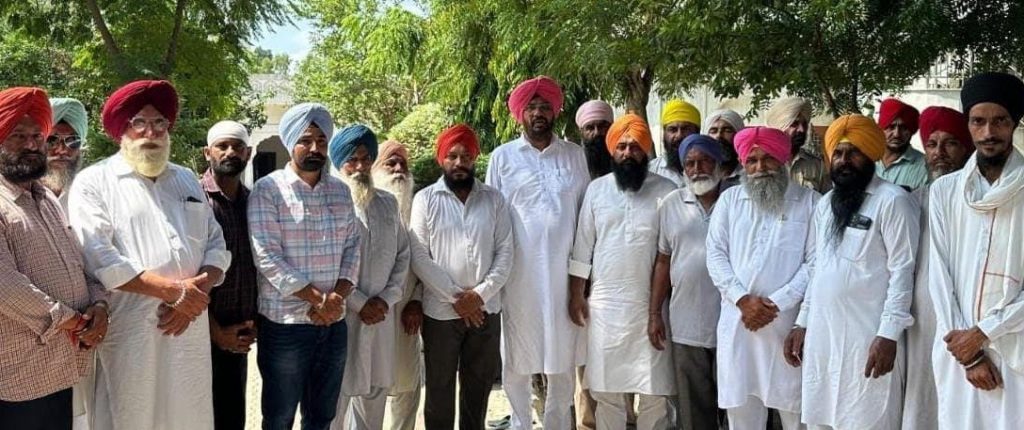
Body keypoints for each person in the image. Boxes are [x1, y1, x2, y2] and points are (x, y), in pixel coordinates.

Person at [68, 80, 231, 430]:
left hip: (188, 329)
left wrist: (195, 295)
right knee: (130, 415)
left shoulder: (186, 180)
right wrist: (174, 293)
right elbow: (99, 257)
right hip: (132, 332)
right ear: (121, 130)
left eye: (159, 123)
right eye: (139, 122)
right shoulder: (94, 182)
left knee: (189, 415)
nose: (150, 132)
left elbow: (217, 245)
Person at [788, 114, 919, 429]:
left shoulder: (893, 201)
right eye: (839, 153)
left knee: (867, 418)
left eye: (854, 152)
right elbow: (818, 268)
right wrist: (802, 322)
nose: (844, 161)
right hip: (823, 336)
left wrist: (888, 334)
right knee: (822, 417)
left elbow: (903, 272)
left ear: (871, 154)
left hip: (869, 338)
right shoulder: (825, 205)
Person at [0, 87, 108, 430]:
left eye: (36, 135)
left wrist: (99, 304)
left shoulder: (45, 198)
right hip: (18, 374)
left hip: (60, 365)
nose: (32, 145)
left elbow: (78, 261)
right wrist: (71, 320)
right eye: (18, 135)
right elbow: (5, 285)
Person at [248, 102, 360, 430]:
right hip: (286, 325)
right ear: (289, 143)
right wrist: (318, 300)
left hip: (333, 324)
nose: (314, 148)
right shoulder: (268, 190)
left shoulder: (340, 191)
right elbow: (266, 256)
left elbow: (353, 248)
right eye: (305, 140)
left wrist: (335, 299)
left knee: (322, 417)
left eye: (321, 141)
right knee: (279, 417)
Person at [490, 75, 590, 430]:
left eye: (545, 106)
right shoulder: (502, 158)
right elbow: (493, 217)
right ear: (520, 114)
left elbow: (585, 218)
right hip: (518, 276)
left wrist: (582, 279)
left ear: (555, 111)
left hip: (564, 277)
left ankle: (557, 424)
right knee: (516, 358)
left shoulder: (574, 156)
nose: (538, 113)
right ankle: (520, 423)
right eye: (531, 107)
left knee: (562, 358)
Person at [928, 72, 1024, 430]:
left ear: (1014, 124)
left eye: (1000, 121)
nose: (988, 133)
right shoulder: (945, 191)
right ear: (968, 124)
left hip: (1016, 348)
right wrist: (968, 354)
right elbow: (940, 276)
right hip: (958, 352)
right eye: (978, 121)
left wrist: (983, 333)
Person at [568, 113, 676, 430]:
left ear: (647, 150)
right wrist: (576, 295)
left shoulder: (667, 191)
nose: (628, 152)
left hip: (651, 307)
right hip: (605, 309)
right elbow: (582, 248)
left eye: (636, 146)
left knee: (655, 393)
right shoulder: (596, 190)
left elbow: (669, 254)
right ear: (612, 149)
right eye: (622, 146)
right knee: (606, 393)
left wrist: (656, 310)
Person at [706, 126, 818, 430]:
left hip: (786, 326)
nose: (760, 167)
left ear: (783, 159)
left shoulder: (810, 202)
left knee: (795, 414)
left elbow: (815, 262)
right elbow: (715, 255)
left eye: (768, 158)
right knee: (742, 416)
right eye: (752, 161)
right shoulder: (729, 201)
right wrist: (743, 300)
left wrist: (776, 303)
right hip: (739, 323)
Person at [410, 124, 514, 429]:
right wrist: (458, 298)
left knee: (478, 388)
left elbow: (505, 252)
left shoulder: (494, 199)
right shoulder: (425, 199)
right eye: (452, 156)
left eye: (465, 156)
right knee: (439, 389)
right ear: (441, 159)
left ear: (474, 158)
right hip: (441, 313)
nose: (459, 162)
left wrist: (478, 296)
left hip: (485, 310)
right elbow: (419, 256)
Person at [328, 125, 411, 430]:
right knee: (334, 400)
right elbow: (327, 265)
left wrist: (386, 299)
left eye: (366, 158)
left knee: (375, 398)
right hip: (343, 317)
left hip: (381, 317)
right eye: (352, 159)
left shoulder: (388, 203)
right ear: (339, 163)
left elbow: (403, 255)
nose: (360, 166)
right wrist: (360, 303)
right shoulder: (330, 205)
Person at [647, 134, 727, 430]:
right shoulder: (671, 204)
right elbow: (663, 261)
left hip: (733, 324)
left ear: (719, 164)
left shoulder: (735, 201)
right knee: (693, 411)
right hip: (686, 323)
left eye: (705, 161)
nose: (697, 169)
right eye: (690, 163)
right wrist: (654, 313)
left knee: (736, 408)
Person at [901, 106, 972, 430]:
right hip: (921, 314)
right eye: (932, 144)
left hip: (968, 313)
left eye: (950, 143)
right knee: (922, 391)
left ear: (966, 148)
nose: (939, 152)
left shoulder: (979, 200)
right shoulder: (911, 201)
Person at [202, 120, 258, 430]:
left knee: (232, 417)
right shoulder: (194, 200)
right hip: (198, 332)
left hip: (240, 334)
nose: (230, 152)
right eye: (222, 146)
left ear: (248, 153)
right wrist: (216, 332)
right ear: (207, 152)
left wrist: (252, 325)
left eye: (237, 147)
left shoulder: (255, 203)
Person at [370, 140, 423, 430]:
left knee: (407, 386)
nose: (399, 169)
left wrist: (417, 300)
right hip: (369, 313)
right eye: (390, 163)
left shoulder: (419, 210)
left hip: (406, 312)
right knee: (367, 389)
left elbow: (430, 261)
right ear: (375, 169)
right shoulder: (361, 207)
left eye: (403, 163)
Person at [765, 97, 829, 193]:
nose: (802, 130)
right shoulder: (764, 163)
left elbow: (825, 199)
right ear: (780, 126)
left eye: (804, 124)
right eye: (794, 124)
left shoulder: (816, 164)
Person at [43, 98, 88, 210]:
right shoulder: (11, 195)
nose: (63, 150)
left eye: (73, 141)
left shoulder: (90, 193)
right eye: (52, 141)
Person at [875, 98, 928, 190]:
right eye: (891, 127)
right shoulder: (867, 160)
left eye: (904, 128)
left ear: (911, 131)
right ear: (881, 129)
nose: (897, 134)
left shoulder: (925, 167)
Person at [651, 100, 701, 186]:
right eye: (673, 129)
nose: (679, 135)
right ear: (664, 134)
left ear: (697, 132)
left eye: (685, 129)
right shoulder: (652, 170)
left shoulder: (710, 169)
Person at [704, 108, 745, 189]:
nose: (719, 135)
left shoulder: (748, 174)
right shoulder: (699, 173)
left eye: (727, 130)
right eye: (713, 131)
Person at [576, 100, 614, 179]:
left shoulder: (624, 156)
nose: (597, 132)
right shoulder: (575, 162)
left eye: (601, 126)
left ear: (611, 127)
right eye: (590, 128)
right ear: (581, 132)